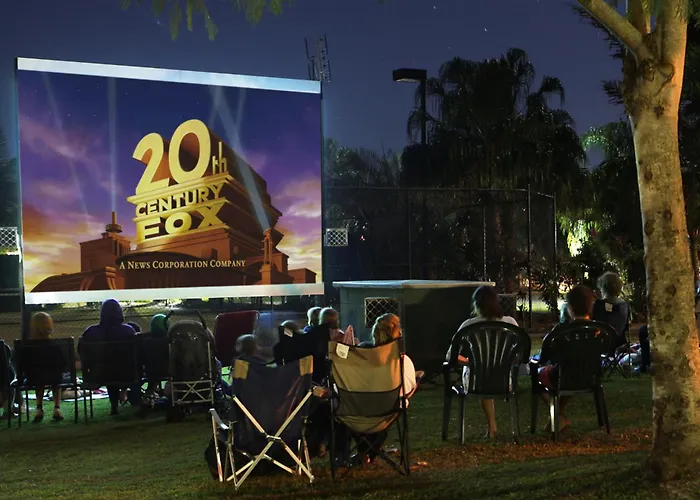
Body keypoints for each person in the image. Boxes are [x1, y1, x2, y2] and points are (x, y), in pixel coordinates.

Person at [448, 286, 519, 439]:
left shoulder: (468, 325)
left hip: (476, 381)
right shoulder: (510, 322)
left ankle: (492, 426)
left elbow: (451, 356)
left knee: (482, 373)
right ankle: (497, 428)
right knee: (489, 372)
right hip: (504, 380)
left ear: (476, 304)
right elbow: (520, 354)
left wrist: (471, 363)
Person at [536, 284, 596, 432]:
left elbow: (545, 356)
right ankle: (558, 417)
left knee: (537, 376)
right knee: (569, 375)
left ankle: (558, 416)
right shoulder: (598, 330)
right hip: (591, 376)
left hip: (563, 376)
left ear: (570, 307)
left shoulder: (560, 331)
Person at [78, 299, 137, 416]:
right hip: (127, 374)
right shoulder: (128, 330)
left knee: (109, 367)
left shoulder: (91, 332)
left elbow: (81, 351)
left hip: (98, 375)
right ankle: (132, 399)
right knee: (116, 366)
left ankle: (114, 405)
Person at [29, 312, 65, 422]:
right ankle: (57, 407)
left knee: (39, 378)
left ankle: (39, 408)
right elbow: (62, 363)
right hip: (54, 377)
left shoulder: (27, 346)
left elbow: (23, 364)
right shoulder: (54, 345)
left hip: (34, 377)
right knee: (56, 377)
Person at [592, 272, 630, 349]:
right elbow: (626, 328)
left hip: (602, 345)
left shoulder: (598, 305)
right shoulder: (625, 305)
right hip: (620, 345)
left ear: (602, 287)